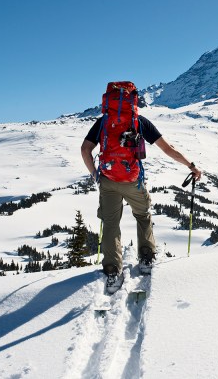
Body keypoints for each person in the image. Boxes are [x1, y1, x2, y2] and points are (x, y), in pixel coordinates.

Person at [81, 102, 202, 293]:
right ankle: (146, 258)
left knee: (111, 223)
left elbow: (85, 149)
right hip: (132, 180)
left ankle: (112, 272)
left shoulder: (103, 122)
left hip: (108, 180)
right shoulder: (139, 122)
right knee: (143, 215)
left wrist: (96, 175)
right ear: (133, 102)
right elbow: (168, 149)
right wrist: (191, 166)